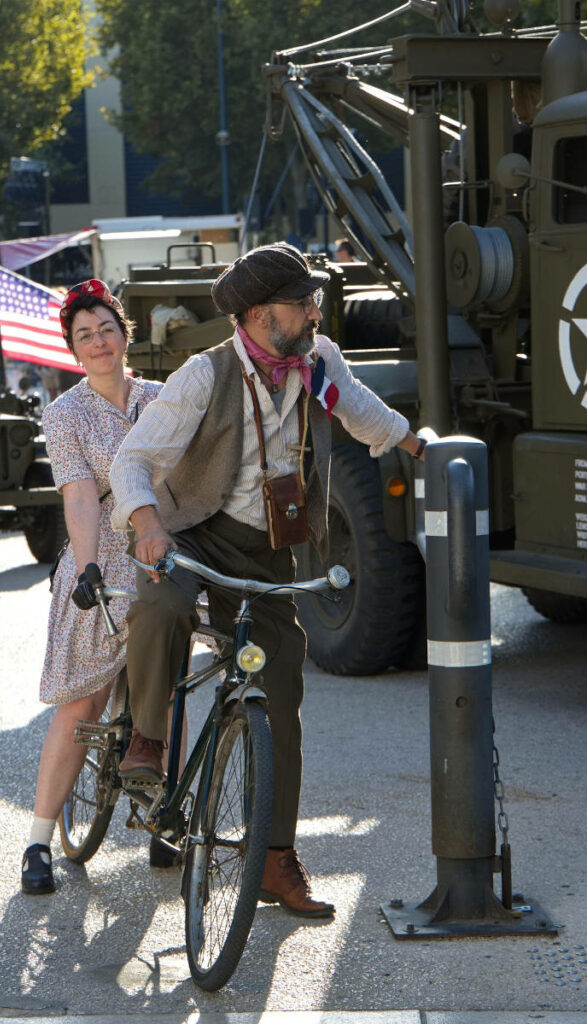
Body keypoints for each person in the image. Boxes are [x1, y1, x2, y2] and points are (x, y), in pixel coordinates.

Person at [109, 242, 426, 918]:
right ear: (258, 315)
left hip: (265, 550)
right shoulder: (204, 375)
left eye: (314, 301)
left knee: (281, 691)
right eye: (301, 302)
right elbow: (132, 460)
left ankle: (275, 861)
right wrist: (148, 526)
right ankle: (146, 738)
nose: (315, 310)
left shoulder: (316, 360)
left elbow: (360, 408)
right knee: (162, 607)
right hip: (192, 529)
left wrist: (421, 447)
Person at [21, 278, 162, 896]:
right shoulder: (64, 414)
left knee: (174, 689)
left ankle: (167, 817)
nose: (99, 341)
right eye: (85, 336)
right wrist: (87, 571)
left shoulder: (164, 397)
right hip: (100, 561)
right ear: (73, 351)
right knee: (80, 705)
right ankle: (38, 840)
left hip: (161, 555)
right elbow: (79, 496)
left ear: (124, 334)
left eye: (107, 328)